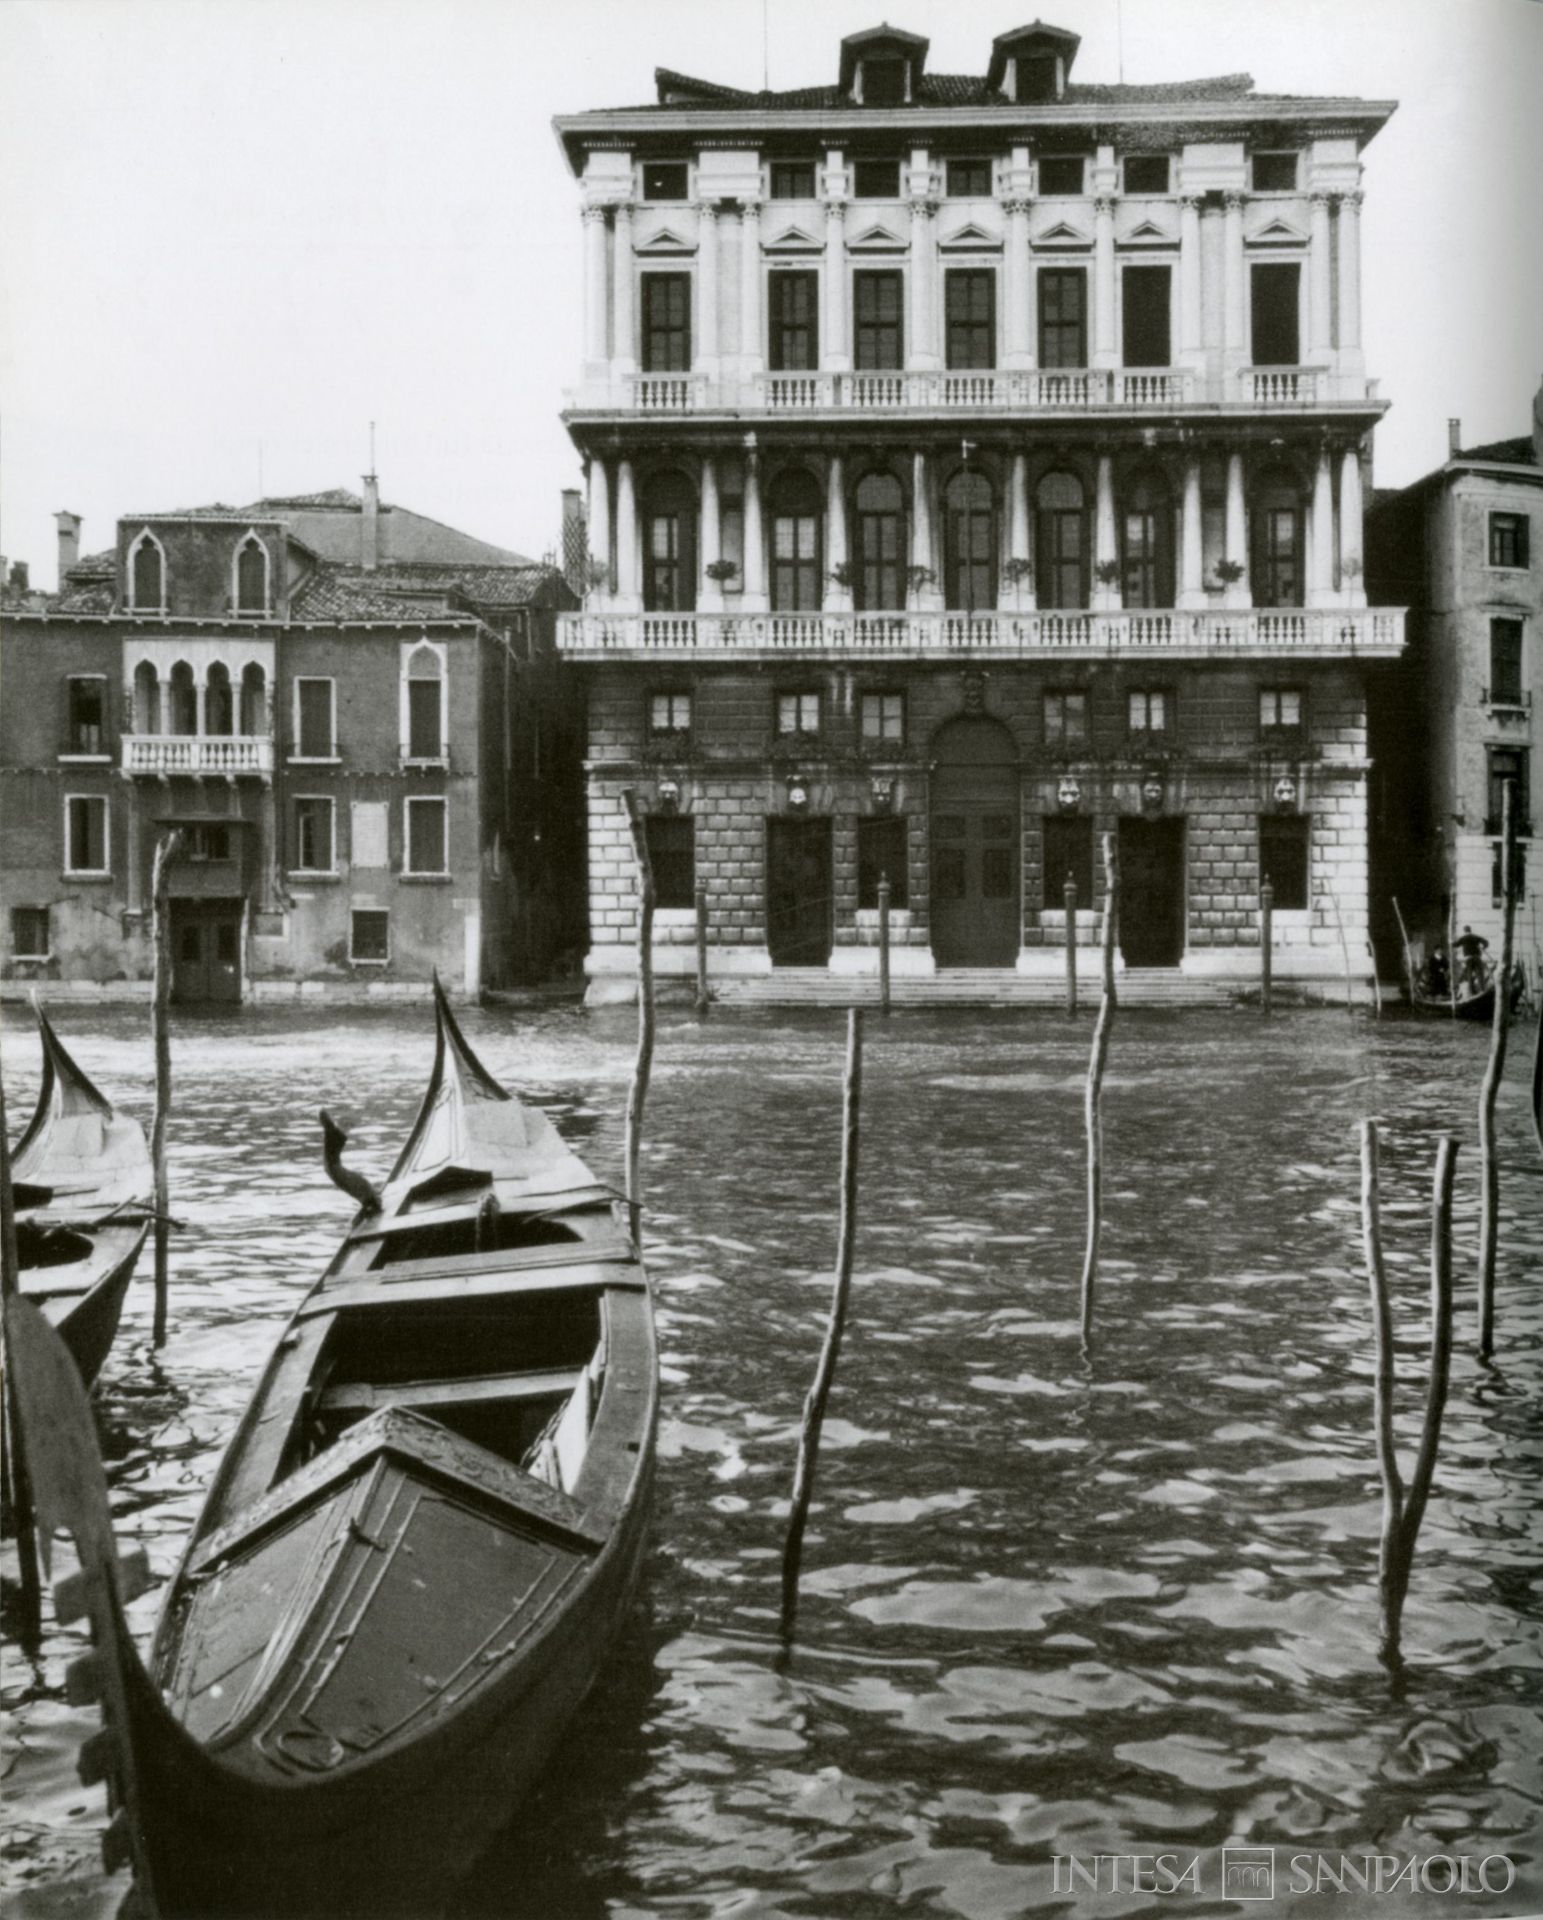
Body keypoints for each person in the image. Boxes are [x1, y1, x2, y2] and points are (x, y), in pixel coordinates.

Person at [1454, 924, 1490, 998]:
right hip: (1477, 958)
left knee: (1469, 975)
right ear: (1470, 930)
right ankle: (1482, 991)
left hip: (1468, 959)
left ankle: (1471, 994)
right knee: (1480, 975)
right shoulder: (1475, 937)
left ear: (1464, 931)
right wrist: (1484, 947)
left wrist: (1450, 942)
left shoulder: (1463, 938)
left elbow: (1456, 945)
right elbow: (1486, 942)